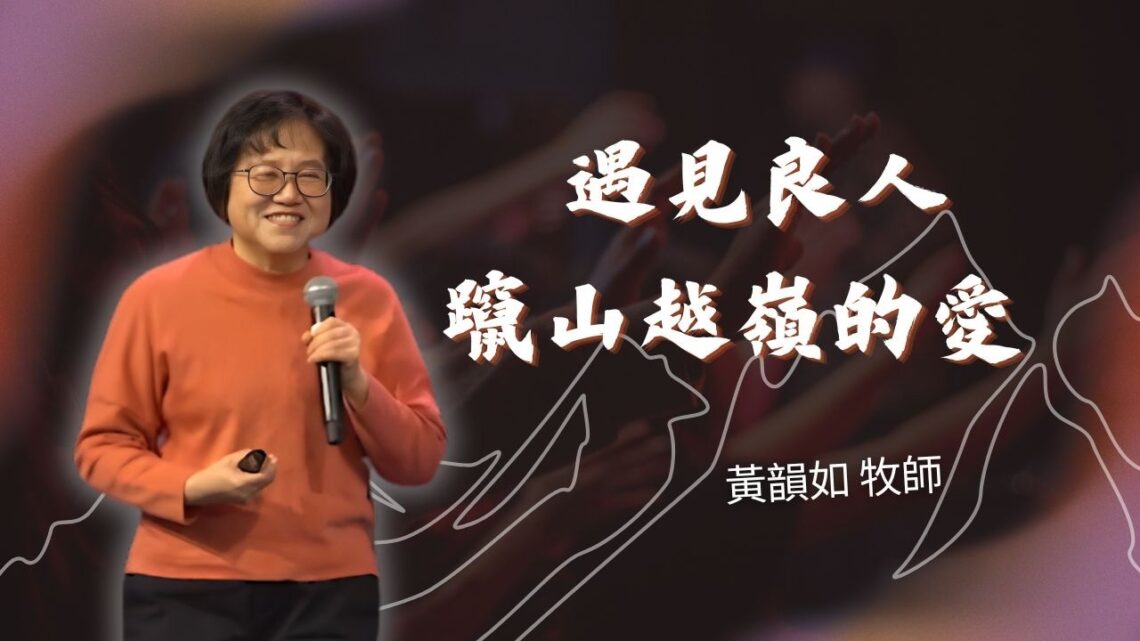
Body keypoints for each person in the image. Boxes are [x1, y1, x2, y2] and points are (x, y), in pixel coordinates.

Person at [73, 89, 447, 641]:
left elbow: (419, 460)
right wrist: (192, 485)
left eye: (310, 177)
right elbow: (102, 448)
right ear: (222, 184)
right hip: (185, 586)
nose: (288, 195)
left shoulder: (367, 298)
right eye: (266, 175)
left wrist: (359, 385)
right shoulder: (156, 297)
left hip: (328, 590)